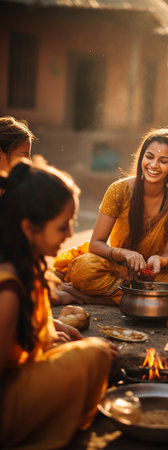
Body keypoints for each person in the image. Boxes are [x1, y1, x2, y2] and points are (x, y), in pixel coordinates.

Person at [0, 158, 117, 449]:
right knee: (95, 354)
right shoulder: (9, 291)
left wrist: (48, 331)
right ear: (29, 228)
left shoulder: (28, 264)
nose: (68, 235)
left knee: (87, 350)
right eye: (63, 226)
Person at [53, 128, 168, 311]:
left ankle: (93, 298)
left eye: (163, 161)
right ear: (141, 157)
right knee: (83, 268)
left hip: (154, 274)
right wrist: (125, 254)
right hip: (116, 268)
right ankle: (148, 299)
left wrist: (160, 260)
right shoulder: (119, 190)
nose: (154, 165)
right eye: (149, 157)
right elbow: (96, 244)